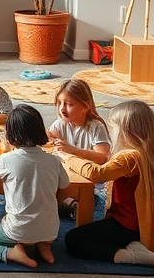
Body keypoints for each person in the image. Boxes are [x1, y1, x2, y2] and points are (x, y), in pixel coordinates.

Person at [61, 100, 154, 270]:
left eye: (113, 129)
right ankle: (134, 244)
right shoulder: (148, 153)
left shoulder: (130, 157)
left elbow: (97, 174)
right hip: (140, 225)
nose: (111, 134)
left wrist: (68, 157)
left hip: (126, 226)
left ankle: (128, 255)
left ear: (127, 132)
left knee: (73, 239)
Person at [0, 104, 69, 268]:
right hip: (50, 231)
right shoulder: (54, 160)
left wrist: (13, 189)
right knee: (33, 222)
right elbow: (65, 188)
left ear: (9, 136)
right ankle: (43, 245)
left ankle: (11, 253)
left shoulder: (8, 159)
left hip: (18, 231)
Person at [47, 79, 111, 218]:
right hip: (67, 175)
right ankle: (70, 204)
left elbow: (102, 158)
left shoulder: (95, 127)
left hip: (90, 179)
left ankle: (77, 203)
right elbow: (49, 143)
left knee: (83, 196)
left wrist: (73, 150)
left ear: (85, 106)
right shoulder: (60, 124)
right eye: (59, 103)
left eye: (69, 104)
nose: (62, 109)